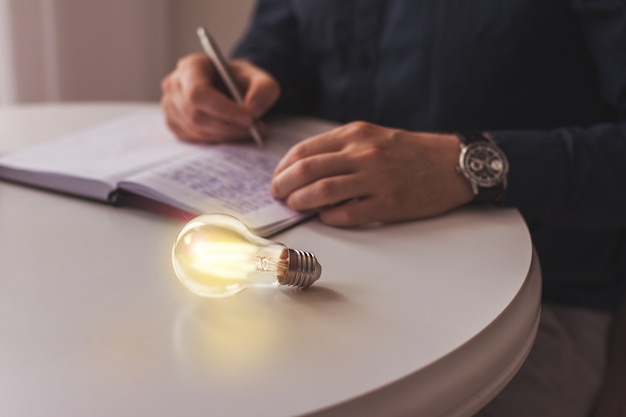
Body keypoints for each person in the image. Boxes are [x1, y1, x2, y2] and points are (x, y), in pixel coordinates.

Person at [160, 1, 626, 415]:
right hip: (322, 259)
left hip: (532, 297)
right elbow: (285, 34)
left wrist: (463, 164)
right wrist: (239, 81)